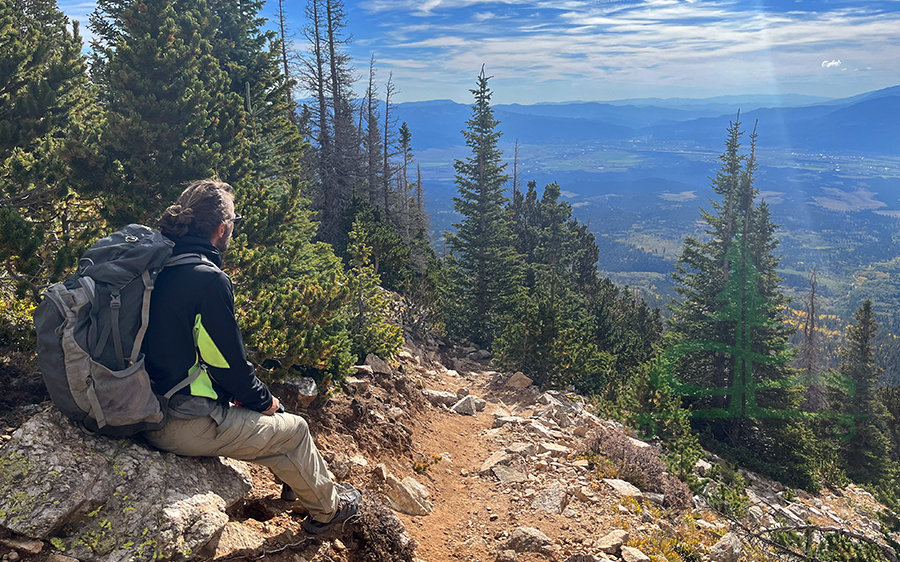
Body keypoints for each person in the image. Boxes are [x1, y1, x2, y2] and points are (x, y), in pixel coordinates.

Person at [142, 179, 360, 535]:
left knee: (273, 425)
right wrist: (264, 401)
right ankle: (329, 511)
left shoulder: (157, 267)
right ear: (222, 228)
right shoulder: (207, 279)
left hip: (141, 407)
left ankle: (294, 488)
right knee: (294, 430)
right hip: (180, 422)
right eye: (234, 222)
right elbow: (227, 367)